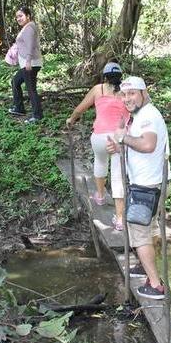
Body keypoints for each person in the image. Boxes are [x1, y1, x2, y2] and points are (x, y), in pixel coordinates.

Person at [106, 76, 169, 300]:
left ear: (144, 93)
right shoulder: (141, 116)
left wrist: (124, 138)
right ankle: (145, 267)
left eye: (132, 93)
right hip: (148, 183)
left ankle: (155, 285)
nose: (127, 98)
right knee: (146, 230)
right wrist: (119, 145)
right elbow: (135, 145)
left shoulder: (148, 115)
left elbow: (148, 144)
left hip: (147, 185)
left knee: (140, 235)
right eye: (124, 95)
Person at [65, 62, 131, 230]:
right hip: (119, 137)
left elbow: (80, 108)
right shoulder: (127, 91)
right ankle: (120, 219)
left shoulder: (98, 89)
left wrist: (71, 119)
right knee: (117, 176)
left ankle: (100, 196)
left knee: (100, 162)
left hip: (100, 136)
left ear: (105, 76)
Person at [8, 5, 43, 124]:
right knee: (15, 81)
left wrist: (28, 60)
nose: (18, 18)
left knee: (31, 89)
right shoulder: (27, 27)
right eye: (17, 16)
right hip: (27, 63)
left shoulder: (29, 28)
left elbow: (30, 46)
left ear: (28, 16)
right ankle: (19, 108)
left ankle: (37, 115)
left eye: (21, 16)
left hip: (30, 63)